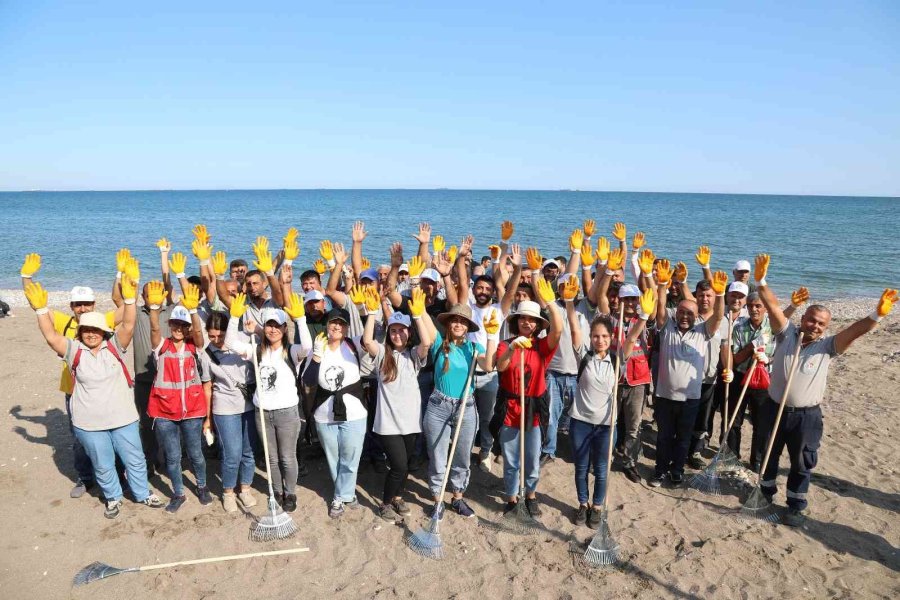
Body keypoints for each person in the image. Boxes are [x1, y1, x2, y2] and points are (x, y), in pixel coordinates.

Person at [753, 255, 896, 526]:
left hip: (806, 416)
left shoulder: (828, 346)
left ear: (826, 327)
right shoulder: (785, 334)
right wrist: (761, 281)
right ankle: (765, 492)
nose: (815, 326)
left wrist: (877, 314)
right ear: (803, 317)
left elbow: (855, 331)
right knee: (768, 453)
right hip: (774, 408)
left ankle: (795, 504)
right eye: (812, 320)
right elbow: (772, 307)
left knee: (802, 462)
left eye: (820, 324)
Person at [23, 277, 165, 519]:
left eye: (95, 330)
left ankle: (142, 493)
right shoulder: (73, 351)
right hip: (89, 424)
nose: (91, 334)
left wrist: (130, 298)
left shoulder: (115, 346)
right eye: (86, 330)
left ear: (103, 331)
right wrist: (41, 310)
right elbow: (50, 336)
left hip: (123, 419)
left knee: (135, 459)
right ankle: (113, 498)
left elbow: (129, 325)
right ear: (80, 332)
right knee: (103, 464)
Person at [20, 252, 121, 497]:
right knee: (79, 438)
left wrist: (119, 275)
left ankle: (115, 472)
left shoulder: (104, 320)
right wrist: (26, 277)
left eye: (87, 303)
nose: (83, 308)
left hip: (104, 389)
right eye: (78, 304)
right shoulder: (64, 322)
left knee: (112, 432)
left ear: (95, 305)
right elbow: (38, 303)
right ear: (71, 306)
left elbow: (125, 308)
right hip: (74, 389)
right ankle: (85, 477)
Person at [566, 283, 655, 526]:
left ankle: (596, 507)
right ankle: (582, 504)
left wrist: (644, 316)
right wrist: (569, 302)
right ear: (591, 338)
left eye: (605, 336)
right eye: (596, 336)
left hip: (606, 426)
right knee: (581, 468)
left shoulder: (618, 362)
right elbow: (574, 328)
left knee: (602, 470)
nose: (600, 340)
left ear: (610, 337)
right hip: (580, 423)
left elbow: (632, 338)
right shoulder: (584, 356)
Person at [226, 293, 311, 513]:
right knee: (271, 458)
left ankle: (290, 492)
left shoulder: (291, 351)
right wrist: (234, 318)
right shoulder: (256, 350)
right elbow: (229, 343)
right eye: (269, 326)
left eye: (277, 326)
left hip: (287, 413)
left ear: (284, 329)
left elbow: (307, 347)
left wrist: (300, 320)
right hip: (262, 412)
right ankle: (277, 491)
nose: (273, 330)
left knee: (287, 457)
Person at [651, 262, 727, 487]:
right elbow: (661, 306)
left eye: (690, 313)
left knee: (683, 439)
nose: (685, 316)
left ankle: (677, 471)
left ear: (696, 316)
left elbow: (719, 316)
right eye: (682, 312)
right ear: (677, 313)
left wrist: (720, 294)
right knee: (664, 437)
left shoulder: (703, 331)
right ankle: (660, 470)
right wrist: (662, 285)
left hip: (690, 398)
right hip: (664, 396)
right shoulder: (667, 329)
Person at [361, 289, 434, 521]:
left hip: (411, 423)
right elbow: (367, 340)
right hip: (388, 425)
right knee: (399, 466)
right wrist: (372, 312)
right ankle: (385, 502)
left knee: (405, 467)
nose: (397, 334)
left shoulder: (414, 356)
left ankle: (397, 497)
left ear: (408, 332)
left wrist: (419, 315)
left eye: (401, 330)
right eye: (393, 330)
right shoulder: (383, 354)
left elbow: (427, 341)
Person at [494, 277, 561, 517]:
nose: (527, 322)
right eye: (523, 318)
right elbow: (500, 367)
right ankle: (512, 498)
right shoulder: (505, 345)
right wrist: (513, 349)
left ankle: (531, 495)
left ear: (537, 325)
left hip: (534, 408)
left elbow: (559, 329)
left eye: (532, 320)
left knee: (532, 459)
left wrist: (551, 302)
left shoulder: (542, 347)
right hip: (510, 406)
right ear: (517, 321)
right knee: (511, 458)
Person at [425, 303, 497, 518]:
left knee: (462, 456)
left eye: (463, 321)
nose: (458, 324)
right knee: (437, 456)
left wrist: (492, 335)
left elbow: (489, 366)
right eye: (455, 320)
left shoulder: (474, 348)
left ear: (468, 327)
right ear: (448, 323)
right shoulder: (438, 341)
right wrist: (419, 310)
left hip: (466, 407)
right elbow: (425, 324)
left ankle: (457, 498)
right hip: (438, 406)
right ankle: (438, 501)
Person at [147, 283, 213, 513]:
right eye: (175, 323)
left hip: (193, 410)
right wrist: (154, 307)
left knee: (196, 454)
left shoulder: (195, 348)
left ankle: (202, 487)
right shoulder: (162, 346)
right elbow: (154, 331)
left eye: (182, 325)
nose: (178, 328)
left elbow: (198, 334)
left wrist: (194, 313)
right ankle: (178, 493)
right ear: (170, 325)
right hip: (164, 411)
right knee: (173, 458)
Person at [457, 241, 521, 474]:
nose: (483, 291)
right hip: (466, 372)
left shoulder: (497, 310)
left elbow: (512, 293)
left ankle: (485, 451)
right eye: (480, 288)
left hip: (490, 374)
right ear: (475, 290)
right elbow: (462, 283)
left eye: (487, 289)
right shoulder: (468, 308)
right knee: (462, 415)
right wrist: (461, 258)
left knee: (487, 417)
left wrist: (518, 270)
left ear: (493, 292)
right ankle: (460, 452)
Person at [302, 306, 368, 519]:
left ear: (347, 327)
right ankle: (346, 493)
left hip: (355, 413)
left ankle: (340, 496)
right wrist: (317, 357)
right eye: (333, 322)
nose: (337, 326)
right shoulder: (317, 347)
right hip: (324, 414)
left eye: (341, 323)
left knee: (351, 455)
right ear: (326, 325)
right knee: (334, 458)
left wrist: (371, 311)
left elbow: (369, 339)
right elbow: (308, 381)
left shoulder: (354, 344)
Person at [201, 311, 259, 512]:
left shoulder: (242, 341)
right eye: (212, 336)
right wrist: (207, 419)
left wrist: (255, 331)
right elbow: (207, 387)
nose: (216, 340)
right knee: (232, 453)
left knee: (249, 451)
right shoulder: (206, 353)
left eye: (220, 335)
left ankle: (245, 488)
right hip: (224, 408)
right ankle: (228, 492)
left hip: (249, 404)